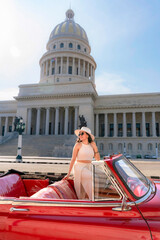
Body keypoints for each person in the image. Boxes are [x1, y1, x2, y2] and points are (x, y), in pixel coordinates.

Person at [64, 127, 100, 200]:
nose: (80, 135)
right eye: (79, 134)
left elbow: (98, 159)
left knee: (98, 178)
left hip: (89, 166)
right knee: (92, 177)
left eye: (82, 133)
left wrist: (95, 148)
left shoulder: (91, 145)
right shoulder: (78, 145)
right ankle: (92, 198)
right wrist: (68, 173)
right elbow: (73, 159)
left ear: (87, 135)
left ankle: (91, 197)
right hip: (80, 168)